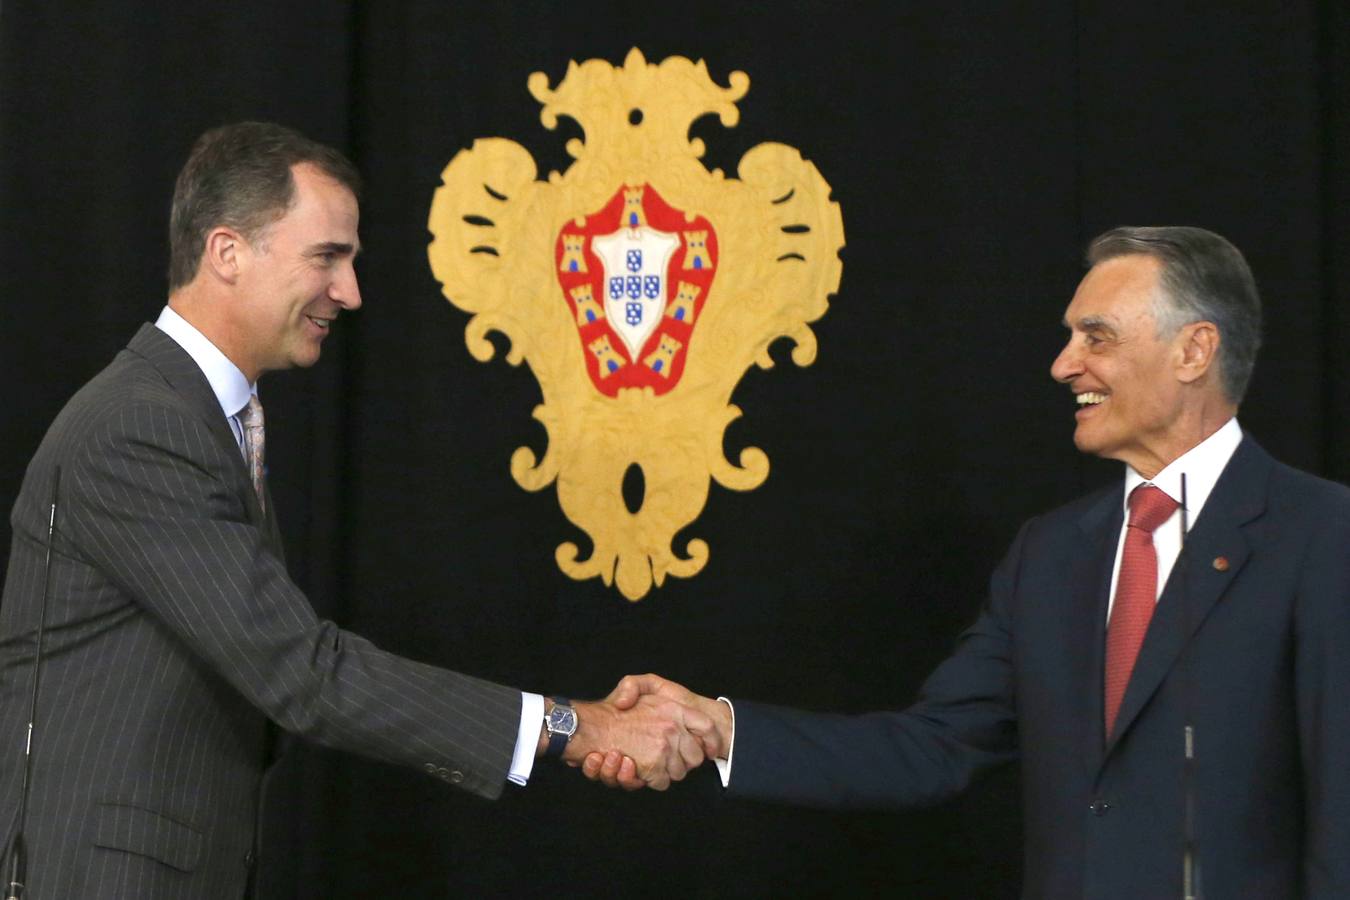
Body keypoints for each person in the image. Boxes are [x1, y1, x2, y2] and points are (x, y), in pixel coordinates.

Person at [0, 121, 713, 900]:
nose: (350, 292)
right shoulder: (145, 425)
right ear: (227, 252)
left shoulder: (196, 414)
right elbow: (303, 673)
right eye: (326, 257)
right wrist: (572, 727)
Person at [588, 227, 1350, 899]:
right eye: (1070, 337)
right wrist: (719, 728)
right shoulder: (1050, 556)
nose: (1063, 365)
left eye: (1097, 336)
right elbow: (930, 750)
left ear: (1194, 350)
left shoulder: (1322, 536)